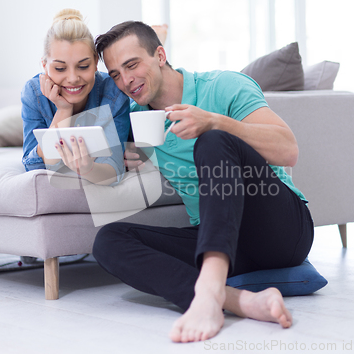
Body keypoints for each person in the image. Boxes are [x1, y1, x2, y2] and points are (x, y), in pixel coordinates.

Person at [92, 21, 314, 343]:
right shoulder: (136, 117)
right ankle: (240, 301)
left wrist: (213, 122)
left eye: (132, 64)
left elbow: (288, 150)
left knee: (212, 141)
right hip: (220, 239)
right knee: (108, 240)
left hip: (280, 230)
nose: (126, 80)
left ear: (160, 54)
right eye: (115, 74)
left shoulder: (223, 86)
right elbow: (97, 141)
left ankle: (209, 292)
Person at [21, 9, 130, 185]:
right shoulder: (34, 93)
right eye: (60, 68)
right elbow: (34, 167)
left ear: (95, 62)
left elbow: (114, 171)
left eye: (83, 66)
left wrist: (88, 169)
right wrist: (64, 110)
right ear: (44, 66)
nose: (72, 79)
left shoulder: (113, 93)